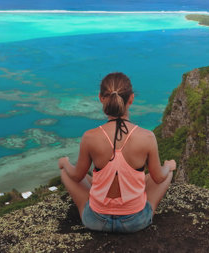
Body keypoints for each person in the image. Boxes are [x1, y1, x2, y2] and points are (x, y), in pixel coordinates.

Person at [58, 72, 176, 233]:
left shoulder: (89, 137)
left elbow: (77, 176)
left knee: (67, 172)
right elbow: (159, 177)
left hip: (97, 221)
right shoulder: (147, 137)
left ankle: (98, 204)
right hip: (135, 222)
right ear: (131, 99)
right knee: (162, 175)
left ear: (101, 98)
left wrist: (64, 163)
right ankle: (142, 211)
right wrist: (169, 166)